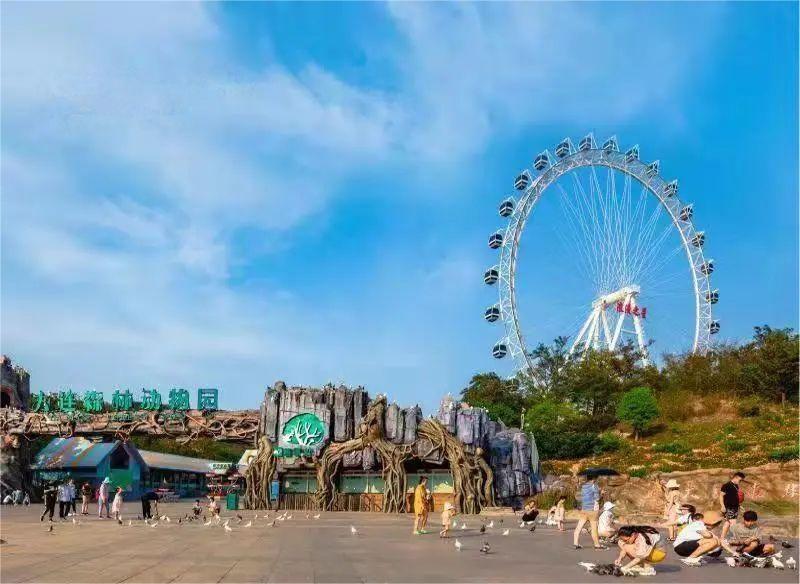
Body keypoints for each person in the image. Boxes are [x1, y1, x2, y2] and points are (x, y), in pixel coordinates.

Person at [573, 476, 604, 550]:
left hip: (584, 509)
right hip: (593, 509)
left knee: (579, 526)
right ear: (594, 478)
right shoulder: (595, 486)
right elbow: (597, 499)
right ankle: (597, 545)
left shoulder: (584, 486)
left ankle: (575, 543)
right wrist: (601, 494)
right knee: (594, 527)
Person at [719, 472, 745, 539]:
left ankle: (722, 538)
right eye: (740, 480)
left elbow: (735, 497)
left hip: (735, 507)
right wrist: (722, 506)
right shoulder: (726, 485)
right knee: (733, 523)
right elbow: (721, 496)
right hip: (728, 507)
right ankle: (736, 538)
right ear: (735, 477)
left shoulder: (736, 486)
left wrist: (739, 505)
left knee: (727, 523)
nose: (740, 481)